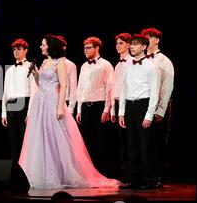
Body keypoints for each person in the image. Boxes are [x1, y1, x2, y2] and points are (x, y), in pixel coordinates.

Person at [18, 35, 119, 189]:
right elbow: (41, 83)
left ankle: (58, 173)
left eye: (43, 44)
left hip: (53, 100)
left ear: (50, 46)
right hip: (41, 101)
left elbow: (64, 86)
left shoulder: (60, 64)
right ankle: (40, 173)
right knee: (40, 136)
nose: (40, 47)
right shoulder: (45, 62)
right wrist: (35, 74)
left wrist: (60, 107)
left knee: (55, 137)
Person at [118, 34, 160, 189]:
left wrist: (149, 114)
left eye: (135, 44)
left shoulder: (151, 65)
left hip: (144, 105)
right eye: (132, 44)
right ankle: (134, 179)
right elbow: (124, 88)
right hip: (130, 106)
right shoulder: (127, 65)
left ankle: (146, 179)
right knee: (131, 144)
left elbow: (154, 91)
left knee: (145, 144)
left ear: (143, 47)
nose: (132, 46)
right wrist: (121, 112)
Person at [141, 27, 174, 188]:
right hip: (144, 106)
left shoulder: (164, 61)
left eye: (149, 37)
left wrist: (160, 110)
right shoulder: (142, 60)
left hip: (159, 107)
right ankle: (145, 176)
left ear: (156, 40)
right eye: (144, 37)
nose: (146, 40)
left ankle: (157, 176)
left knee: (157, 143)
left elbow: (167, 87)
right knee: (145, 143)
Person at [76, 36, 114, 175]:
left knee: (101, 141)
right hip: (86, 107)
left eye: (89, 47)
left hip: (99, 106)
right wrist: (79, 109)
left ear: (97, 48)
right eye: (84, 48)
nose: (85, 50)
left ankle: (103, 171)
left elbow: (110, 88)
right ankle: (89, 172)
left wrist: (106, 109)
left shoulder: (106, 65)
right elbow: (80, 89)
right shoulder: (84, 66)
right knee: (87, 141)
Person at [1, 39, 37, 161]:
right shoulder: (10, 69)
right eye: (14, 49)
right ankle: (15, 169)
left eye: (19, 49)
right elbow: (5, 92)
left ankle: (26, 169)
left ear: (25, 50)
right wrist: (3, 113)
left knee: (24, 139)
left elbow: (34, 91)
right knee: (13, 139)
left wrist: (30, 112)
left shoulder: (31, 67)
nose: (16, 51)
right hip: (11, 104)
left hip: (24, 103)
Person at [110, 33, 132, 183]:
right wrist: (112, 109)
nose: (118, 46)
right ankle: (124, 173)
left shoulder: (132, 63)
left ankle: (132, 173)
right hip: (118, 104)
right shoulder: (118, 65)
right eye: (117, 43)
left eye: (121, 43)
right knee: (121, 142)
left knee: (130, 140)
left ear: (129, 45)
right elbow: (114, 88)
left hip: (129, 103)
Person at [60, 36, 78, 115]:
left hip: (64, 102)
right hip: (49, 102)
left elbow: (73, 89)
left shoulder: (70, 65)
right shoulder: (48, 63)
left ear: (63, 48)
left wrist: (71, 108)